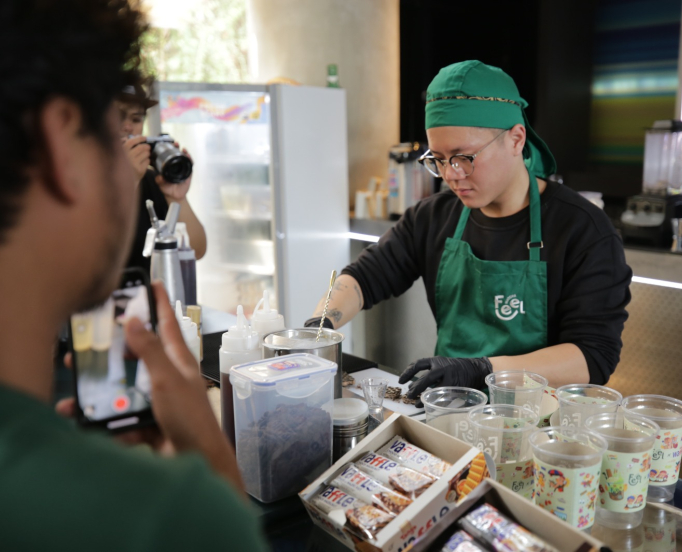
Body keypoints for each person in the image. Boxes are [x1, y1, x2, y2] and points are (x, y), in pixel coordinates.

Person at [0, 1, 266, 549]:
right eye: (112, 124)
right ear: (62, 144)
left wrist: (173, 198)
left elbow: (197, 244)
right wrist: (212, 469)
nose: (130, 133)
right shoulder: (169, 518)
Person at [307, 61, 632, 397]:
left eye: (464, 157)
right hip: (449, 411)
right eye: (439, 159)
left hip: (540, 427)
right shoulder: (433, 217)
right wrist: (320, 326)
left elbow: (593, 357)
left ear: (516, 139)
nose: (451, 174)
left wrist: (483, 370)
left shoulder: (582, 229)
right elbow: (364, 277)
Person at [118, 84, 207, 272]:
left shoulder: (151, 179)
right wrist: (128, 180)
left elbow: (195, 250)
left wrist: (177, 197)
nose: (128, 126)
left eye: (136, 119)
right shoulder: (79, 180)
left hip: (153, 299)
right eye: (118, 116)